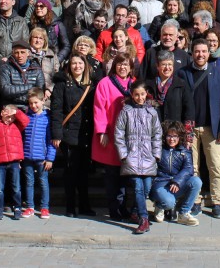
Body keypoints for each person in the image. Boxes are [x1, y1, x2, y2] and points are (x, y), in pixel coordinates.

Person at [176, 38, 220, 218]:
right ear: (192, 53)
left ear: (209, 53)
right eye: (197, 51)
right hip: (189, 128)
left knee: (215, 165)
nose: (200, 55)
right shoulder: (183, 73)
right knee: (193, 168)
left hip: (212, 128)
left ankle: (217, 202)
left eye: (203, 51)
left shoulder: (218, 72)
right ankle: (196, 200)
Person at [50, 51, 96, 217]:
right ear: (69, 66)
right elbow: (56, 111)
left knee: (84, 172)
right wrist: (56, 134)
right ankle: (70, 206)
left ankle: (84, 205)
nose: (77, 66)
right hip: (69, 133)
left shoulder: (90, 84)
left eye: (80, 63)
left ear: (85, 66)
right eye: (74, 63)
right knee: (71, 171)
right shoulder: (63, 84)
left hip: (86, 133)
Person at [114, 82, 162, 234]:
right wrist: (123, 154)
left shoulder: (152, 112)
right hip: (132, 156)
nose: (139, 97)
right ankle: (144, 218)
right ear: (132, 95)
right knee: (138, 187)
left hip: (148, 156)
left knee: (146, 187)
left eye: (142, 94)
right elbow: (119, 133)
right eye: (136, 95)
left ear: (146, 94)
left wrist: (156, 155)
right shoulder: (126, 112)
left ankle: (135, 210)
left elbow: (157, 135)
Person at [92, 53, 135, 220]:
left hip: (129, 138)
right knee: (112, 176)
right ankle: (114, 208)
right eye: (119, 64)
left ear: (131, 67)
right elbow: (99, 108)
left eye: (126, 64)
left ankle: (123, 207)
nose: (122, 67)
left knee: (125, 176)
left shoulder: (134, 83)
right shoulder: (105, 83)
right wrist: (101, 131)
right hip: (110, 135)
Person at [0, 104, 29, 220]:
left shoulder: (17, 126)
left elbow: (25, 120)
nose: (10, 119)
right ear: (2, 113)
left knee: (16, 187)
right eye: (8, 116)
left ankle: (17, 207)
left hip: (14, 161)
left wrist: (16, 112)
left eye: (12, 117)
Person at [151, 120, 201, 226]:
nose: (172, 139)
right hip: (160, 184)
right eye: (169, 136)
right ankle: (159, 206)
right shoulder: (158, 149)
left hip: (176, 184)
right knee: (169, 203)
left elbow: (188, 169)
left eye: (175, 136)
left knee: (196, 181)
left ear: (179, 137)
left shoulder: (184, 151)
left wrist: (177, 181)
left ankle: (184, 213)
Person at [22, 88, 56, 219]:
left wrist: (50, 158)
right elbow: (22, 137)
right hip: (27, 156)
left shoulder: (47, 118)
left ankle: (44, 207)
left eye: (36, 102)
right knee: (29, 182)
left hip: (42, 158)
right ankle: (30, 206)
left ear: (43, 101)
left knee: (43, 182)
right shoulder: (26, 117)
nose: (33, 106)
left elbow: (51, 140)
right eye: (31, 103)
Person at [0, 41, 45, 109]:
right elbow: (5, 90)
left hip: (31, 108)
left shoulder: (37, 69)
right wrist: (30, 87)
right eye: (16, 53)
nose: (19, 55)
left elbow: (40, 92)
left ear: (28, 53)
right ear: (13, 54)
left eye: (22, 52)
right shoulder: (6, 68)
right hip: (11, 108)